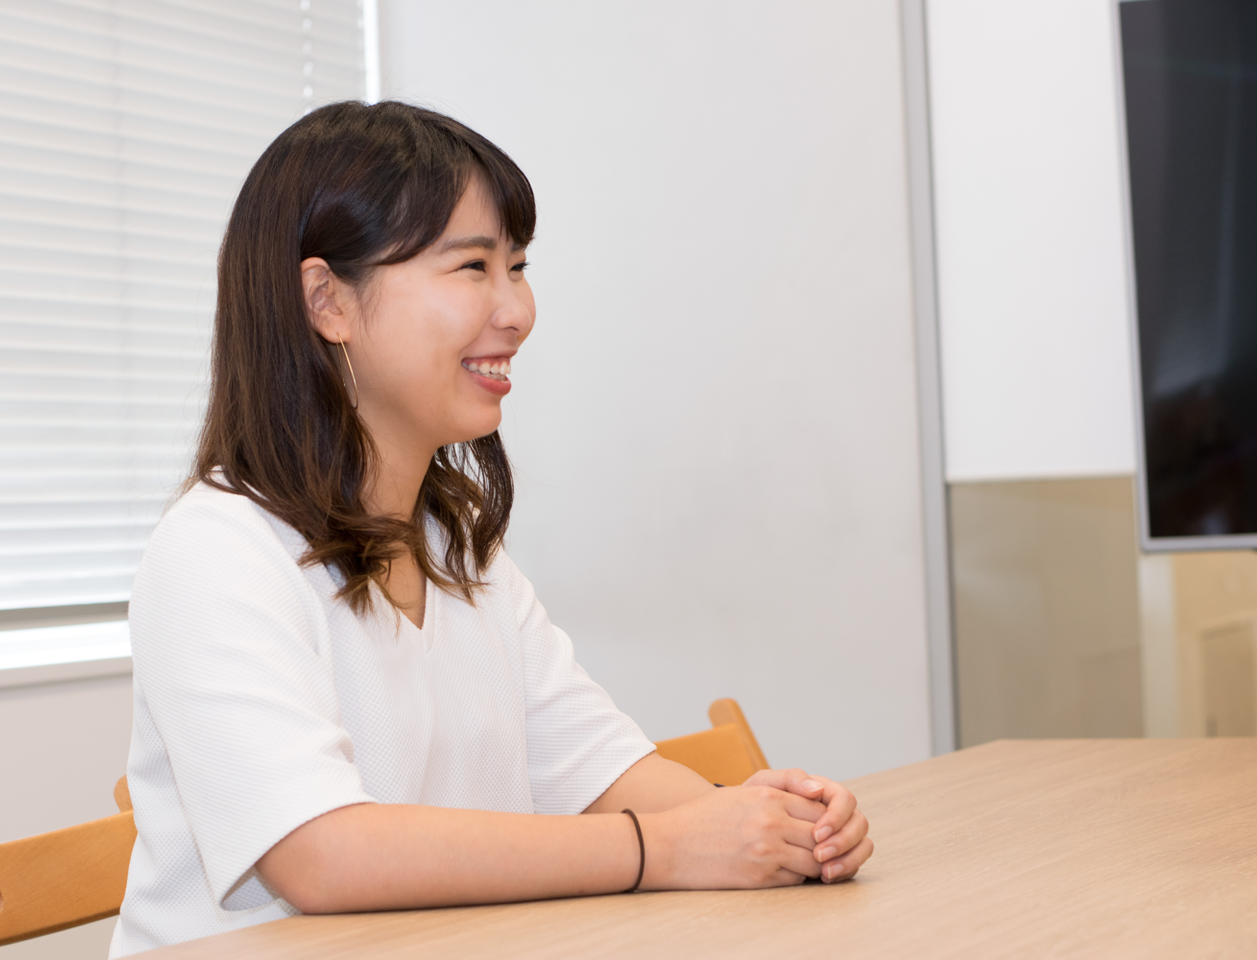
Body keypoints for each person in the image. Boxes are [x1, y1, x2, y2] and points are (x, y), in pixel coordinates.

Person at [109, 101, 872, 957]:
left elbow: (600, 768)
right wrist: (661, 849)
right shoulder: (216, 551)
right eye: (473, 266)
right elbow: (322, 856)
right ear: (327, 301)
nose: (517, 309)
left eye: (518, 266)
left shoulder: (456, 544)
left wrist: (771, 826)